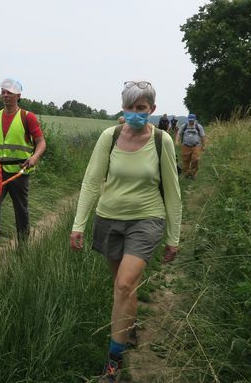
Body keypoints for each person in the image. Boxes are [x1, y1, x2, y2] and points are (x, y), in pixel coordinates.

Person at [69, 80, 181, 382]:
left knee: (124, 285)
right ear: (123, 108)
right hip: (109, 219)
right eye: (129, 107)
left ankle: (113, 361)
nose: (134, 113)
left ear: (152, 110)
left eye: (141, 108)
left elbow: (172, 191)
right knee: (123, 285)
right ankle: (129, 329)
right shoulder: (110, 136)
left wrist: (173, 236)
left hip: (147, 219)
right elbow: (92, 181)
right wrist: (78, 224)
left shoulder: (162, 141)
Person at [0, 78, 47, 269]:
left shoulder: (27, 117)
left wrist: (35, 157)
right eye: (4, 92)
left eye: (10, 93)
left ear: (18, 96)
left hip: (20, 172)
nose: (6, 95)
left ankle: (23, 249)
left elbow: (41, 143)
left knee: (20, 210)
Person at [175, 113, 206, 179]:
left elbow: (203, 136)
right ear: (188, 119)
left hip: (196, 146)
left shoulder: (198, 126)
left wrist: (203, 146)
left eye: (192, 120)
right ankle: (186, 173)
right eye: (189, 120)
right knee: (185, 160)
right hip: (185, 146)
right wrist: (177, 141)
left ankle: (193, 173)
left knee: (195, 159)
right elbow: (178, 134)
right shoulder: (184, 126)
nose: (190, 121)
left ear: (194, 119)